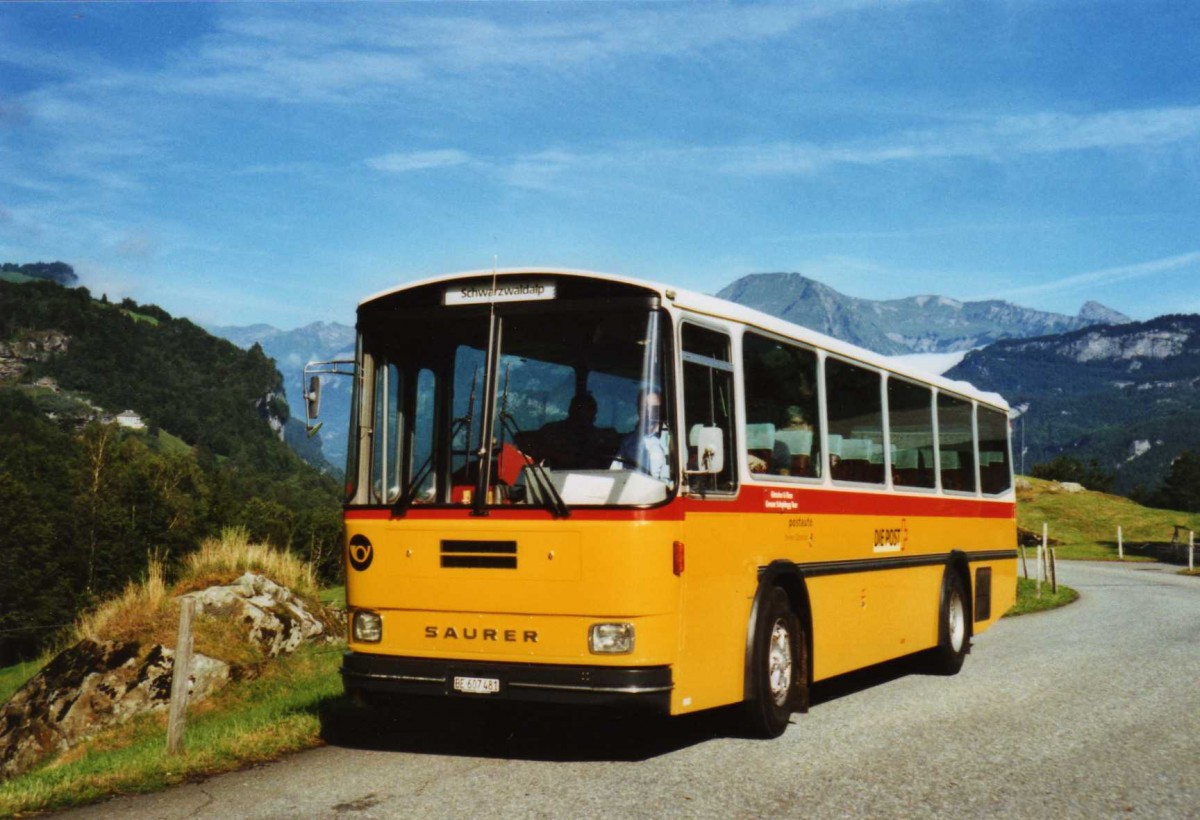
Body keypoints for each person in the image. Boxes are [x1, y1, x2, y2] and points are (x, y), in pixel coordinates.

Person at [613, 389, 671, 482]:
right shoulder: (628, 442)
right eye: (644, 407)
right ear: (638, 410)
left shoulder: (674, 440)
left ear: (661, 410)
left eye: (654, 408)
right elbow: (615, 473)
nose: (649, 412)